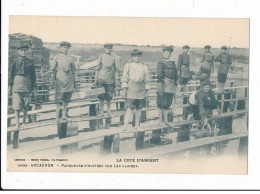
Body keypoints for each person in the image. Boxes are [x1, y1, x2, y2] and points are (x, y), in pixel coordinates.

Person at [8, 43, 36, 129]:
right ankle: (17, 122)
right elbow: (11, 74)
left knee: (26, 104)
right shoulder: (15, 61)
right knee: (17, 105)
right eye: (21, 50)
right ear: (19, 51)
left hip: (26, 84)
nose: (23, 52)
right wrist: (9, 86)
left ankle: (24, 121)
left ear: (27, 51)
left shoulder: (30, 62)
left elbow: (33, 75)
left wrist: (33, 87)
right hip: (17, 84)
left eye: (25, 50)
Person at [121, 49, 150, 130]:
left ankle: (137, 125)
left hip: (141, 88)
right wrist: (124, 84)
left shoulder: (144, 66)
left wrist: (147, 88)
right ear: (132, 57)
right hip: (131, 87)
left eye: (138, 56)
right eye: (135, 56)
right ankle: (125, 126)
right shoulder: (128, 65)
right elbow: (125, 76)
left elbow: (146, 78)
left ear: (140, 57)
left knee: (138, 109)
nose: (137, 58)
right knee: (129, 108)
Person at [50, 41, 76, 123]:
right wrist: (52, 81)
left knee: (66, 100)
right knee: (58, 100)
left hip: (69, 80)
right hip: (60, 81)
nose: (65, 49)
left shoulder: (70, 58)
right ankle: (57, 117)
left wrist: (74, 84)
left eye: (67, 48)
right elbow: (53, 70)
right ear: (61, 48)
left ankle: (64, 115)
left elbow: (73, 71)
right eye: (63, 47)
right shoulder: (57, 57)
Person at [95, 43, 120, 116]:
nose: (108, 50)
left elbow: (116, 70)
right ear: (104, 49)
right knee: (101, 97)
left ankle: (109, 112)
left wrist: (117, 79)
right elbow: (97, 68)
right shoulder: (101, 57)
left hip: (110, 80)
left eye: (109, 48)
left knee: (109, 97)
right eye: (107, 48)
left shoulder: (114, 58)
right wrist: (95, 79)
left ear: (111, 49)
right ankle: (101, 112)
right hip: (101, 79)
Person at [156, 46, 178, 126]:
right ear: (163, 52)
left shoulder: (172, 62)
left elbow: (176, 73)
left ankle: (166, 121)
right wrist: (160, 86)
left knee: (167, 104)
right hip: (164, 84)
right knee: (161, 103)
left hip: (171, 85)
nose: (168, 54)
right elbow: (159, 75)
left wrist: (175, 81)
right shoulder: (160, 62)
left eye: (170, 52)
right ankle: (160, 121)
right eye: (167, 52)